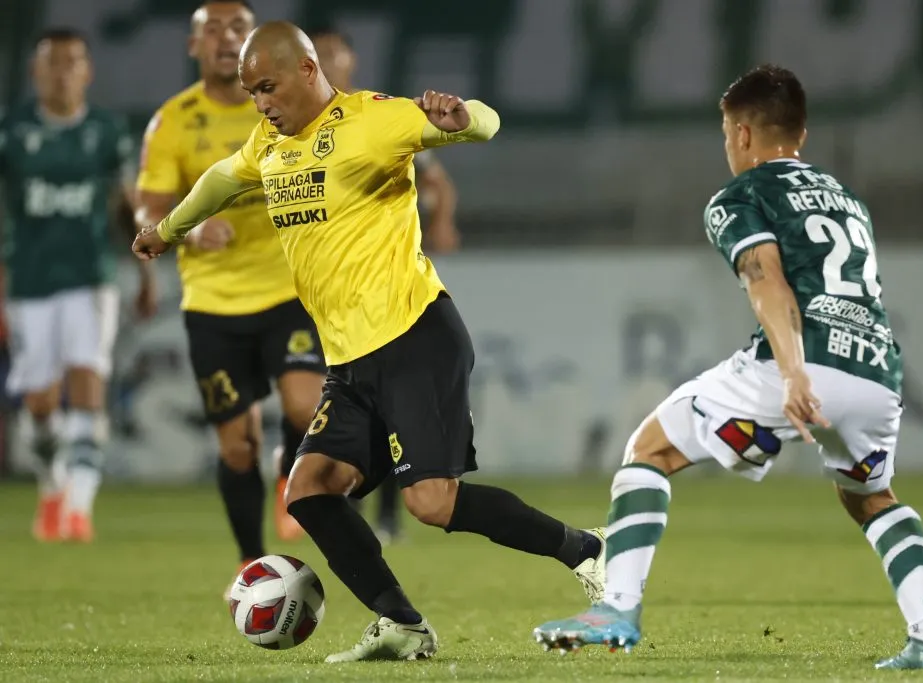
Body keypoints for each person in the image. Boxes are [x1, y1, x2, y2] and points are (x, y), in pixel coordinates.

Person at [133, 21, 605, 663]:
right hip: (349, 359)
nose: (262, 104)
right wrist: (170, 228)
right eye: (251, 93)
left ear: (306, 70)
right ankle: (401, 623)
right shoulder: (271, 142)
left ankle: (589, 551)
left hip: (415, 337)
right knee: (308, 491)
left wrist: (463, 114)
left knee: (431, 504)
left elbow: (484, 125)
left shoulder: (373, 120)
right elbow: (223, 177)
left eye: (268, 87)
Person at [533, 65, 923, 672]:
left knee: (650, 449)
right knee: (871, 498)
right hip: (876, 372)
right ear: (801, 135)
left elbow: (767, 280)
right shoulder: (848, 200)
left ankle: (618, 608)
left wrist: (793, 374)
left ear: (739, 134)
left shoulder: (742, 196)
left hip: (802, 363)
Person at [133, 1, 325, 593]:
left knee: (304, 409)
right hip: (213, 306)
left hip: (286, 290)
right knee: (236, 444)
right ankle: (252, 562)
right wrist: (189, 228)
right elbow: (148, 208)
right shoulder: (171, 122)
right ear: (193, 47)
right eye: (210, 30)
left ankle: (287, 480)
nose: (225, 39)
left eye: (237, 29)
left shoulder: (278, 106)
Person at [0, 28, 156, 542]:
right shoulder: (13, 132)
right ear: (35, 71)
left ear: (87, 72)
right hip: (29, 281)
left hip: (90, 278)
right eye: (52, 63)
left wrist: (146, 268)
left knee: (88, 382)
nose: (62, 72)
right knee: (41, 403)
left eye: (72, 62)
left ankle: (79, 508)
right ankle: (52, 484)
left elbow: (125, 203)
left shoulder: (106, 132)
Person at [309, 25, 461, 544]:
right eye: (318, 55)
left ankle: (390, 512)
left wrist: (442, 222)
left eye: (334, 54)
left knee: (396, 404)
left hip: (394, 277)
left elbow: (437, 175)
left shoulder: (377, 114)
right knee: (362, 407)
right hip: (339, 294)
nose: (327, 62)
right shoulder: (293, 130)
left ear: (350, 61)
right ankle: (349, 498)